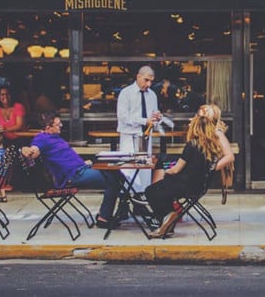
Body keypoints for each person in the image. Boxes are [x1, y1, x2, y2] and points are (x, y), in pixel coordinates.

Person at [21, 111, 122, 228]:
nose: (61, 126)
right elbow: (34, 151)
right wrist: (25, 149)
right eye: (58, 124)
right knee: (113, 180)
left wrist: (84, 163)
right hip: (73, 175)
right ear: (48, 128)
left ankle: (110, 213)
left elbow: (65, 157)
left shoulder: (55, 137)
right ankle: (104, 218)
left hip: (82, 168)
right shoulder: (41, 138)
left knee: (117, 173)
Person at [144, 109, 233, 238]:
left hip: (185, 186)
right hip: (199, 187)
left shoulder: (191, 145)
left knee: (151, 191)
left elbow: (176, 169)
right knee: (164, 190)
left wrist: (167, 171)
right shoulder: (212, 147)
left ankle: (167, 216)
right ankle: (168, 224)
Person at [116, 65, 161, 192]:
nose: (149, 84)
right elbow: (123, 117)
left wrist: (157, 118)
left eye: (151, 81)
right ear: (138, 77)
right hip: (129, 136)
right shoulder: (126, 93)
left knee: (145, 171)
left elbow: (153, 115)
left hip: (146, 136)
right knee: (128, 170)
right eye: (146, 80)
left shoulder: (152, 95)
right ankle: (126, 201)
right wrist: (144, 120)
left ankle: (141, 200)